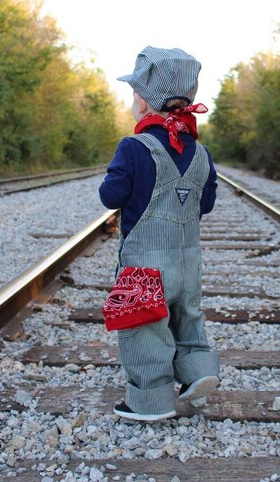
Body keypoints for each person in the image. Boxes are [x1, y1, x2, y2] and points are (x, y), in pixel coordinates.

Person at [99, 46, 220, 421]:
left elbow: (111, 196)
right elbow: (206, 203)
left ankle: (151, 401)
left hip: (145, 268)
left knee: (143, 329)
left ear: (143, 98)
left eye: (133, 92)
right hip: (187, 263)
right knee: (189, 319)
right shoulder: (200, 153)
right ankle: (200, 372)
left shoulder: (134, 147)